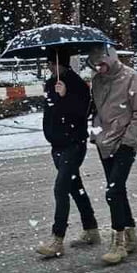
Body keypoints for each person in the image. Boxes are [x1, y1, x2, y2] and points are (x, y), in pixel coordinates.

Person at [87, 45, 137, 264]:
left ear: (111, 59)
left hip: (124, 143)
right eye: (95, 65)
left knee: (112, 192)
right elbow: (95, 109)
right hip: (104, 142)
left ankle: (119, 241)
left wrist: (128, 142)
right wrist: (95, 132)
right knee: (119, 191)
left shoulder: (132, 78)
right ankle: (131, 237)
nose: (99, 68)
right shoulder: (97, 80)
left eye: (102, 63)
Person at [34, 50, 100, 257]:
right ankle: (91, 229)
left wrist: (65, 96)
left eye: (53, 65)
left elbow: (84, 111)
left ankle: (57, 239)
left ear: (63, 65)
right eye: (49, 65)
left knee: (60, 188)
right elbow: (51, 111)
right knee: (74, 187)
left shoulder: (77, 84)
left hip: (74, 144)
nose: (51, 68)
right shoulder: (49, 84)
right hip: (57, 145)